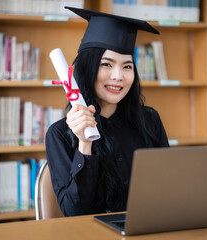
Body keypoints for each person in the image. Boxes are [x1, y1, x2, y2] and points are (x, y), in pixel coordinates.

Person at [45, 6, 169, 217]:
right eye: (106, 64)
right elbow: (74, 214)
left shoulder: (150, 120)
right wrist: (84, 144)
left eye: (127, 66)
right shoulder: (59, 135)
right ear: (88, 68)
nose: (118, 76)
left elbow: (170, 187)